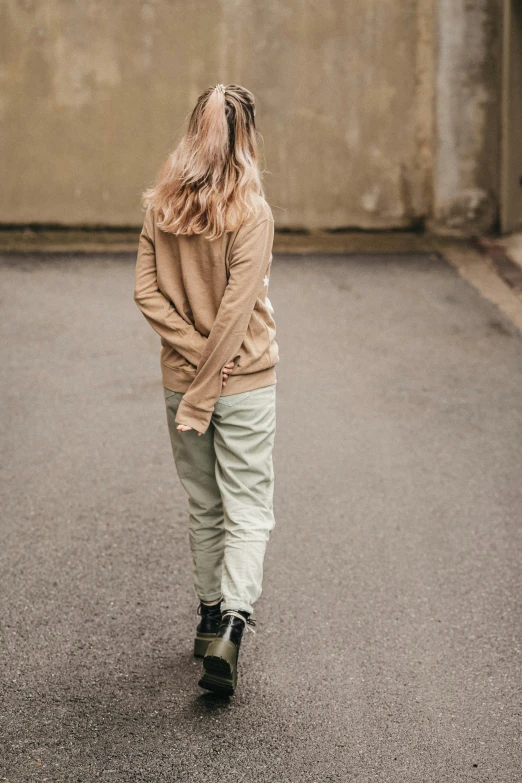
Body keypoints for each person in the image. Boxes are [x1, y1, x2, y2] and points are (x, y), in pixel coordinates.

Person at [133, 83, 279, 696]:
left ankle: (207, 619)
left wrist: (191, 369)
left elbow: (147, 293)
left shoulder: (160, 205)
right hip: (243, 382)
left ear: (196, 129)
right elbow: (237, 316)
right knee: (248, 508)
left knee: (203, 502)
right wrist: (210, 376)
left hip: (180, 379)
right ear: (246, 136)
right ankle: (233, 628)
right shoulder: (252, 213)